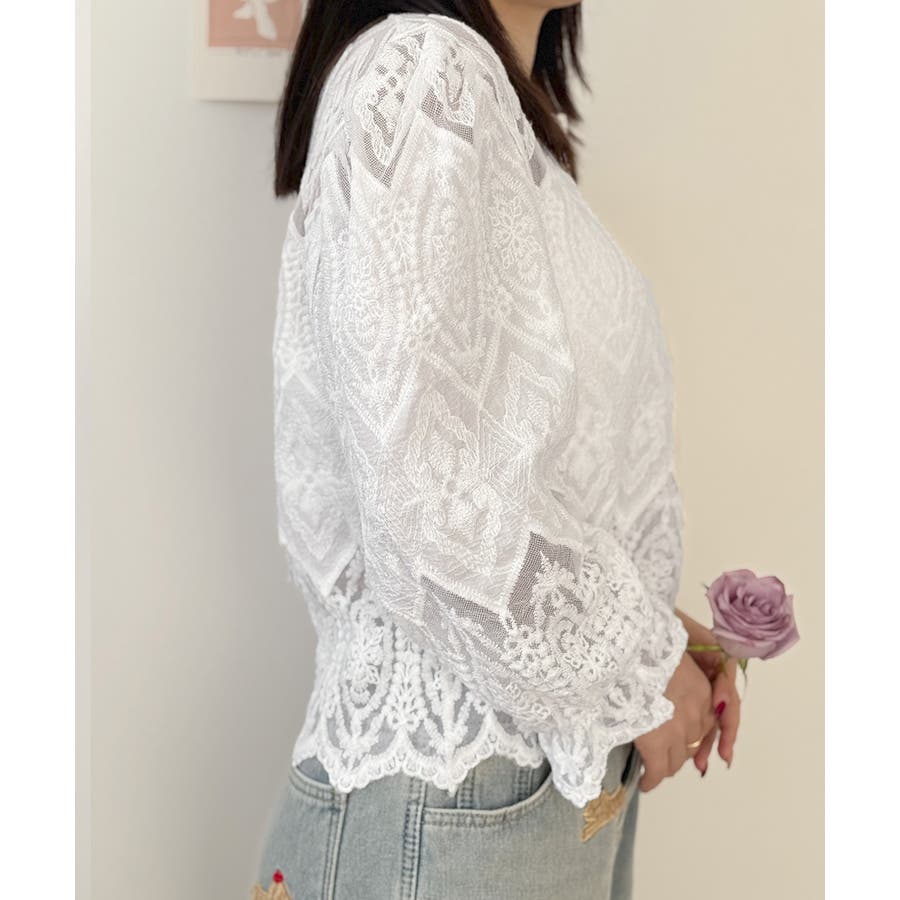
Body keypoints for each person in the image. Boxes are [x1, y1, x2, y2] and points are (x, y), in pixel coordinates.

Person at [254, 2, 741, 898]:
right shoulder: (423, 68)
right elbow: (425, 498)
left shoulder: (495, 111)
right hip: (457, 802)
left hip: (520, 794)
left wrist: (652, 633)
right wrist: (633, 663)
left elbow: (495, 473)